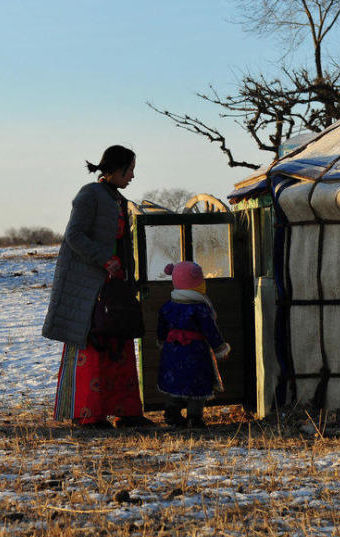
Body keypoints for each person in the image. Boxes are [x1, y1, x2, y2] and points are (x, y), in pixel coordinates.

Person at [42, 145, 154, 429]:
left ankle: (126, 412)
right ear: (114, 169)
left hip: (114, 286)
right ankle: (89, 414)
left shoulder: (118, 198)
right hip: (89, 286)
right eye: (129, 169)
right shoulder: (89, 194)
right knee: (93, 343)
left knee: (119, 342)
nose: (132, 175)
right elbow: (74, 236)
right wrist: (105, 260)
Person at [156, 261, 231, 428]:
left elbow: (161, 328)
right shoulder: (201, 308)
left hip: (172, 351)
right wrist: (220, 347)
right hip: (196, 352)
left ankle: (172, 412)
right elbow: (211, 330)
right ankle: (194, 417)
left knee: (174, 381)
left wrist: (162, 341)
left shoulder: (168, 307)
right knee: (197, 383)